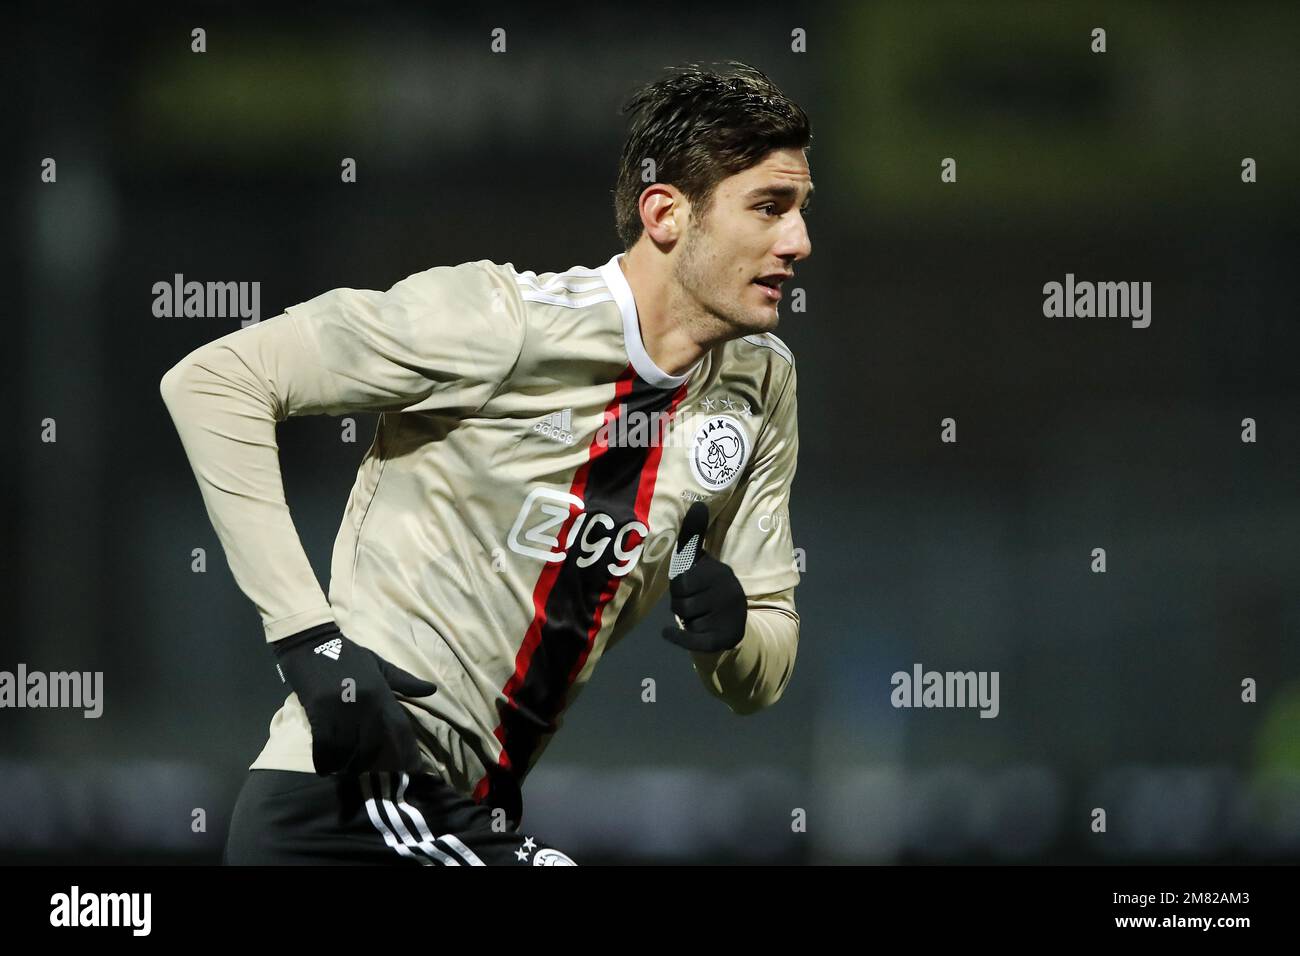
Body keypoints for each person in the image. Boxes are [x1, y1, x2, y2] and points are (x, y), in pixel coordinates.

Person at [160, 60, 813, 866]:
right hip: (351, 805)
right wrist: (308, 640)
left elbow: (763, 671)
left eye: (801, 210)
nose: (799, 241)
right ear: (666, 213)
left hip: (467, 818)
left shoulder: (757, 386)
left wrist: (733, 630)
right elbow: (216, 382)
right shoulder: (500, 324)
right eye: (769, 207)